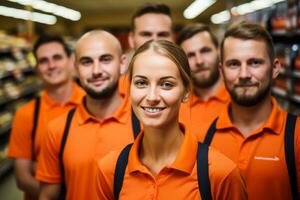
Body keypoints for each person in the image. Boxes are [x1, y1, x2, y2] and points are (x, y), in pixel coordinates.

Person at [96, 40, 247, 200]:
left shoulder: (219, 173)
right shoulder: (110, 170)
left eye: (166, 84)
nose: (152, 97)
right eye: (141, 83)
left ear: (186, 92)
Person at [36, 30, 139, 200]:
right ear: (76, 68)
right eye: (86, 62)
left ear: (122, 64)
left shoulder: (146, 125)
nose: (96, 70)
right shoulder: (58, 129)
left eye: (105, 59)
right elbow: (47, 196)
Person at [202, 21, 300, 199]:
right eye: (233, 64)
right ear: (222, 72)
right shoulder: (205, 138)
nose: (244, 74)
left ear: (275, 68)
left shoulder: (296, 136)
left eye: (255, 63)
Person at [7, 35, 84, 200]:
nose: (51, 65)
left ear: (71, 61)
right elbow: (22, 178)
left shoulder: (92, 105)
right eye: (43, 61)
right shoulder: (26, 114)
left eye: (57, 58)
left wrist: (38, 167)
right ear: (37, 69)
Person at [176, 23, 230, 136]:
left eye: (205, 51)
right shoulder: (176, 106)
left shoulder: (239, 99)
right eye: (190, 55)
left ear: (218, 51)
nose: (199, 61)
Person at [119, 2, 174, 96]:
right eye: (146, 34)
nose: (154, 41)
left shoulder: (188, 88)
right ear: (131, 39)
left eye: (162, 34)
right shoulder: (116, 91)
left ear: (172, 39)